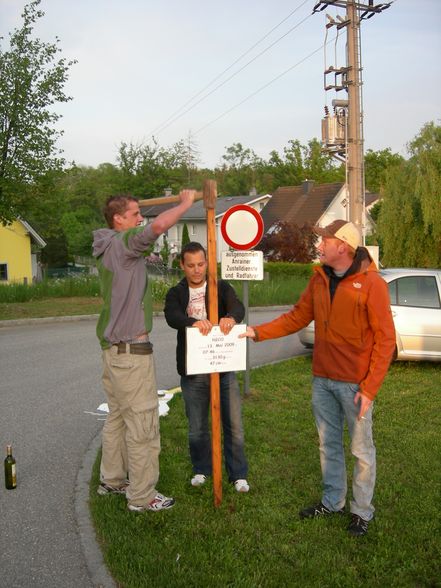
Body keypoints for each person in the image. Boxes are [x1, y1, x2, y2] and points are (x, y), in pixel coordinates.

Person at [240, 220, 395, 535]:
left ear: (343, 246)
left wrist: (369, 389)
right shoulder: (319, 279)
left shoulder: (372, 283)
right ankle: (333, 501)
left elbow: (385, 340)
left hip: (355, 385)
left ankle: (362, 511)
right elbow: (297, 316)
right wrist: (256, 332)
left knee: (361, 450)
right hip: (322, 379)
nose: (318, 245)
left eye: (324, 240)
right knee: (328, 445)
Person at [92, 190, 195, 513]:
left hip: (114, 351)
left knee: (118, 418)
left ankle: (112, 478)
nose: (141, 219)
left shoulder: (107, 245)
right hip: (131, 353)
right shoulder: (123, 245)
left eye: (140, 213)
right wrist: (184, 204)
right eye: (135, 214)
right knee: (143, 425)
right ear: (118, 219)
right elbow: (157, 227)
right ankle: (141, 496)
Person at [164, 241, 250, 492]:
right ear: (182, 265)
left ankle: (238, 474)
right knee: (198, 427)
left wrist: (231, 317)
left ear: (207, 263)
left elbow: (238, 306)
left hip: (223, 369)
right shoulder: (176, 293)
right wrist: (192, 322)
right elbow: (172, 316)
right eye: (190, 265)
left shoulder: (220, 287)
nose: (196, 270)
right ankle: (202, 470)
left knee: (234, 425)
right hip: (193, 372)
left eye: (201, 264)